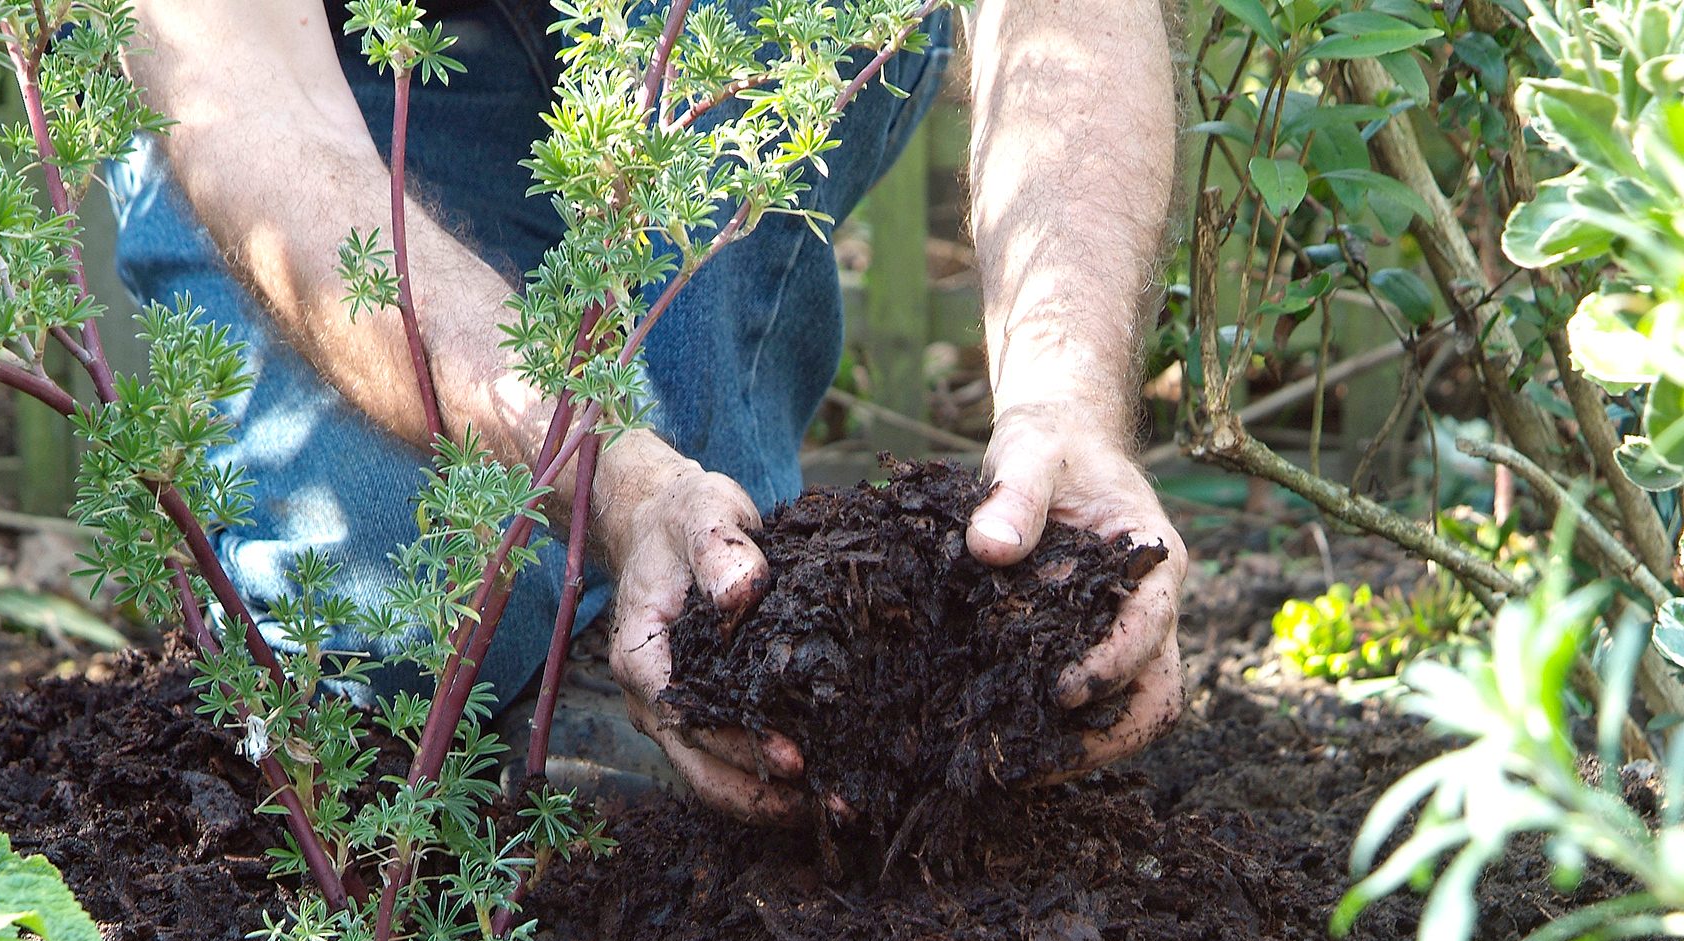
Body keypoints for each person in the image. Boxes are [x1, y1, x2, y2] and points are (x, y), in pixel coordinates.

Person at [112, 0, 1186, 824]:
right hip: (370, 76)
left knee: (695, 643)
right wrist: (615, 482)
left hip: (733, 34)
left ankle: (719, 598)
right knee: (382, 641)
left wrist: (1065, 399)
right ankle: (669, 572)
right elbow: (256, 113)